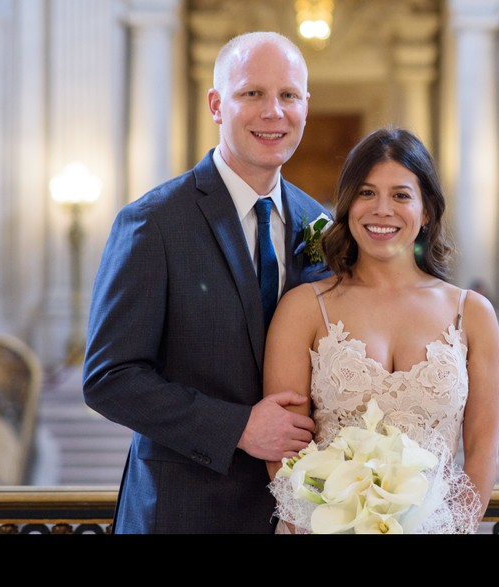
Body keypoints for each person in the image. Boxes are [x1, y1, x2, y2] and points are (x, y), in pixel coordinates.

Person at [82, 31, 333, 534]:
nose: (273, 112)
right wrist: (238, 428)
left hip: (300, 515)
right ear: (217, 104)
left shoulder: (322, 226)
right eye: (252, 94)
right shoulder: (153, 223)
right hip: (180, 512)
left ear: (306, 105)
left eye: (288, 95)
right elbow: (110, 377)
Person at [263, 128, 499, 534]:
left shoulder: (472, 314)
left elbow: (482, 455)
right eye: (366, 193)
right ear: (347, 204)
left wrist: (447, 530)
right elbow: (285, 450)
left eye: (401, 195)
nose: (382, 209)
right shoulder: (304, 308)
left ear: (427, 210)